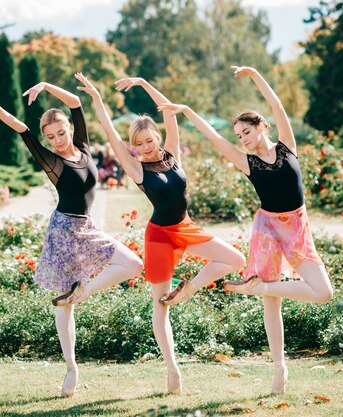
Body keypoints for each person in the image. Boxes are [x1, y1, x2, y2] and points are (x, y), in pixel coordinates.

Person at [157, 65, 334, 395]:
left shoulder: (287, 146)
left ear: (261, 126)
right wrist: (188, 112)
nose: (242, 138)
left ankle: (258, 287)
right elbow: (214, 138)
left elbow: (278, 105)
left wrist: (254, 74)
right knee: (273, 303)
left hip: (297, 227)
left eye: (246, 132)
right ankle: (279, 369)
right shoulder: (246, 162)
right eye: (239, 135)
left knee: (323, 293)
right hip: (267, 229)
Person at [75, 72, 245, 395]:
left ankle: (189, 289)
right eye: (139, 144)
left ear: (156, 136)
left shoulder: (172, 153)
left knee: (234, 258)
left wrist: (141, 83)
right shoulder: (138, 169)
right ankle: (172, 369)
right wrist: (97, 99)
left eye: (149, 140)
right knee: (160, 306)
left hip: (186, 227)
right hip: (159, 237)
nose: (146, 147)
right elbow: (110, 133)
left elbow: (168, 111)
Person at [0, 81, 142, 398]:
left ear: (68, 129)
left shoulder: (84, 146)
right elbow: (23, 129)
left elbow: (76, 102)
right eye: (51, 137)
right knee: (64, 308)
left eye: (60, 133)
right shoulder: (52, 161)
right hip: (64, 233)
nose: (57, 140)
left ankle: (83, 291)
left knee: (133, 264)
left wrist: (47, 86)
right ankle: (71, 368)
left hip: (87, 227)